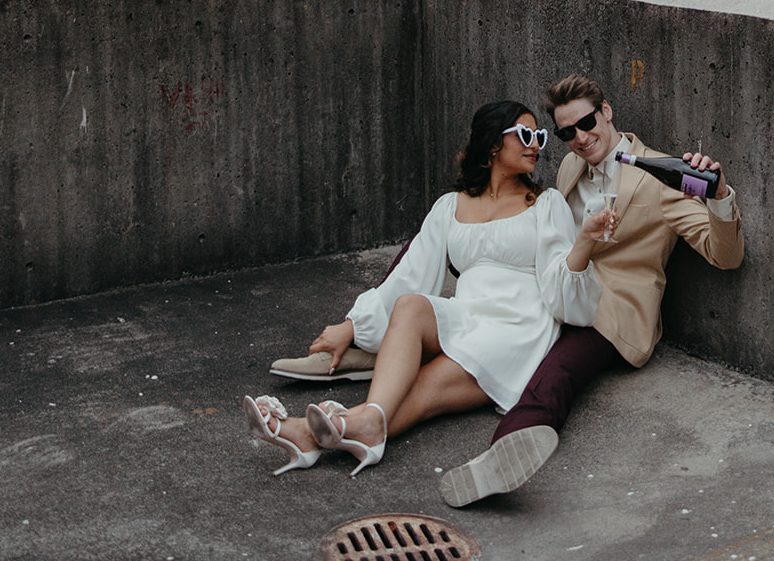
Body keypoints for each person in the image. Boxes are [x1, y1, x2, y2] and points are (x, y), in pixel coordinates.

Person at [243, 99, 610, 476]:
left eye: (540, 136)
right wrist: (351, 327)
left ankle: (309, 433)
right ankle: (361, 426)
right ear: (493, 143)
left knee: (418, 387)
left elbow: (559, 287)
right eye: (525, 134)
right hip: (467, 316)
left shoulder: (546, 204)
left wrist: (583, 244)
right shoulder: (450, 206)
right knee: (410, 305)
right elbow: (409, 275)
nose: (535, 144)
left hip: (515, 330)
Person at [436, 72, 744, 506]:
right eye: (566, 133)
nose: (580, 138)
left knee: (559, 370)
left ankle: (503, 451)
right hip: (560, 292)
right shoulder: (569, 166)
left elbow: (724, 255)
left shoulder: (660, 175)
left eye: (587, 123)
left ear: (607, 111)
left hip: (613, 308)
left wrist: (721, 194)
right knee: (481, 340)